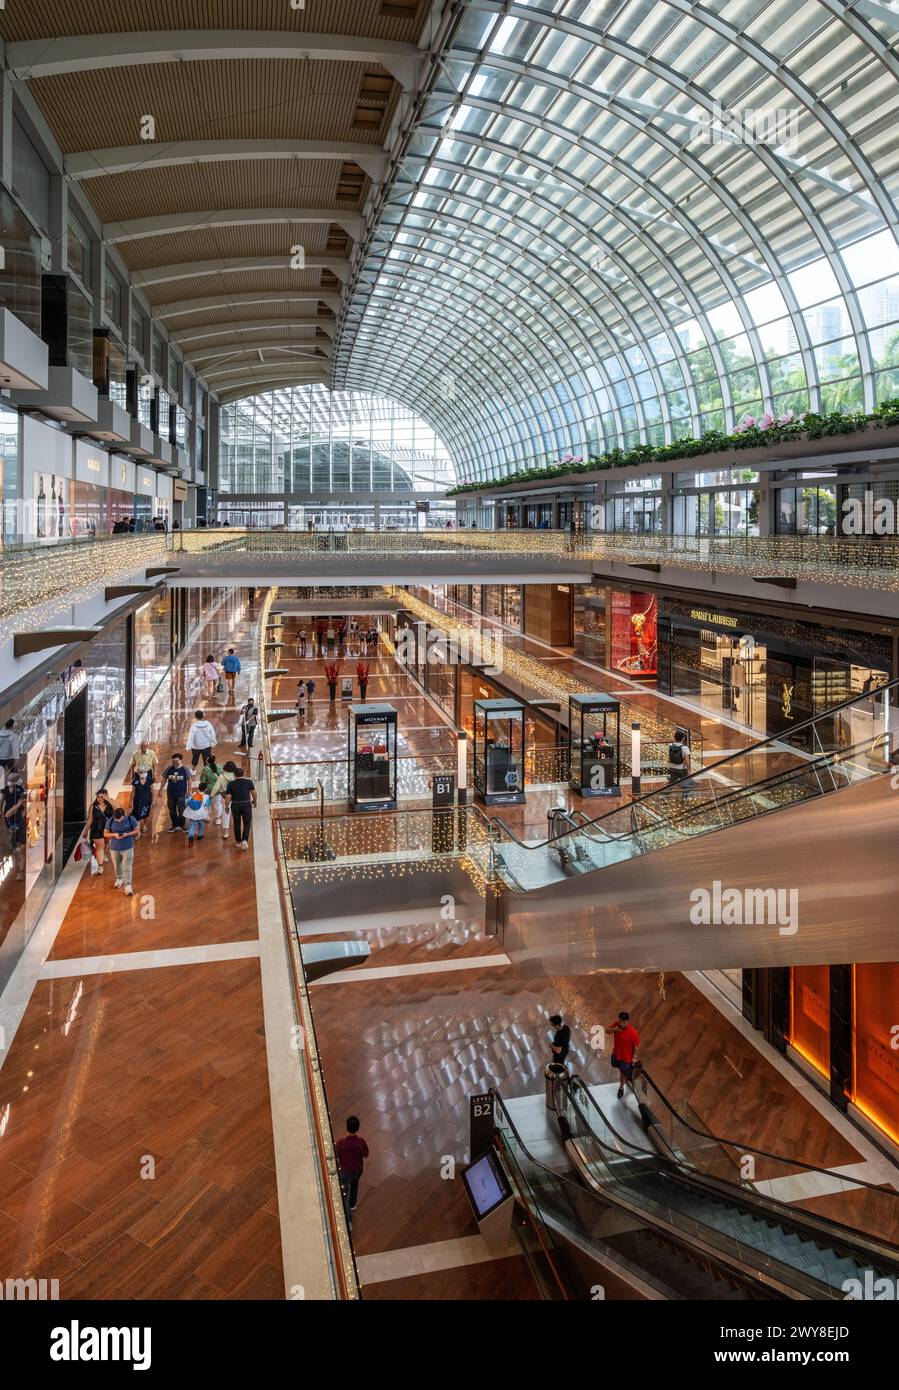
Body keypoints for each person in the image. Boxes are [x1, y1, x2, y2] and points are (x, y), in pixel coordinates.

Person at [335, 1116, 370, 1217]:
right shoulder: (360, 1142)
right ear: (357, 1128)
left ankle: (344, 1207)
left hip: (345, 1171)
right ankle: (352, 1204)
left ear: (347, 1127)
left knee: (344, 1190)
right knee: (355, 1186)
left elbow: (337, 1154)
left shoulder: (341, 1143)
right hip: (357, 1170)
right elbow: (366, 1154)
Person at [104, 805, 140, 895]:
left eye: (120, 819)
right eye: (117, 820)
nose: (118, 821)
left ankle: (128, 885)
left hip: (128, 847)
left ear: (123, 815)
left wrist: (127, 834)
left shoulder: (130, 819)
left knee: (127, 866)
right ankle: (120, 878)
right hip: (114, 848)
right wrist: (113, 835)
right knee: (117, 866)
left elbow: (137, 830)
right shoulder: (111, 820)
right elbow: (105, 833)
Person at [608, 1011, 641, 1100]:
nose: (622, 1024)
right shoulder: (616, 1025)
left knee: (623, 1073)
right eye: (620, 1022)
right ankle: (625, 1075)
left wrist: (634, 1057)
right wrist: (614, 1030)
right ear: (619, 1020)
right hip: (616, 1054)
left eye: (624, 1022)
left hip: (626, 1059)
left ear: (628, 1022)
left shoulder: (632, 1032)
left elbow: (636, 1045)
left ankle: (621, 1087)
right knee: (615, 1065)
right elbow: (607, 1030)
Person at [224, 764, 257, 850]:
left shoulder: (230, 784)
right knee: (247, 823)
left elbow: (228, 797)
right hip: (246, 804)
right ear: (243, 774)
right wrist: (254, 801)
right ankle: (244, 841)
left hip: (235, 805)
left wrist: (226, 806)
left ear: (234, 775)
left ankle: (238, 841)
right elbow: (254, 793)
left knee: (236, 823)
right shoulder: (249, 782)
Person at [3, 773, 26, 879]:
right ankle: (19, 871)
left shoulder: (20, 790)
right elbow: (7, 813)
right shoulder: (6, 790)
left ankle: (20, 872)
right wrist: (17, 806)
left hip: (24, 830)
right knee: (18, 849)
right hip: (14, 822)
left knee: (21, 850)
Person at [86, 787, 113, 870]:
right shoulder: (93, 807)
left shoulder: (110, 805)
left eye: (102, 797)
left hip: (108, 828)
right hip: (96, 829)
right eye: (98, 797)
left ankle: (104, 854)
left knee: (106, 843)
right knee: (99, 846)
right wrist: (86, 831)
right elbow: (90, 819)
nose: (100, 799)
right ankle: (100, 866)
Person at [163, 753, 190, 831]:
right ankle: (174, 825)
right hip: (170, 794)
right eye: (173, 761)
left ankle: (182, 825)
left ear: (180, 760)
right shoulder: (169, 769)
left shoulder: (185, 769)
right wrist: (160, 790)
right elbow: (164, 779)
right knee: (172, 810)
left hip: (181, 793)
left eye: (176, 761)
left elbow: (189, 779)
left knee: (181, 810)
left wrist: (189, 791)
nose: (174, 763)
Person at [209, 761, 235, 838]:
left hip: (225, 796)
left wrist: (211, 795)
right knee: (236, 814)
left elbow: (216, 787)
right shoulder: (235, 775)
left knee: (225, 814)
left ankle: (225, 832)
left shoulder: (222, 776)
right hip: (236, 797)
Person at [130, 768, 155, 836]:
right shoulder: (135, 781)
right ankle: (138, 831)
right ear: (138, 773)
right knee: (137, 814)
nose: (143, 773)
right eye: (141, 772)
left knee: (146, 813)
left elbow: (152, 790)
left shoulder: (150, 780)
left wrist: (153, 799)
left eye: (144, 772)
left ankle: (144, 825)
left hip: (147, 800)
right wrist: (130, 801)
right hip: (137, 800)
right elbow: (133, 792)